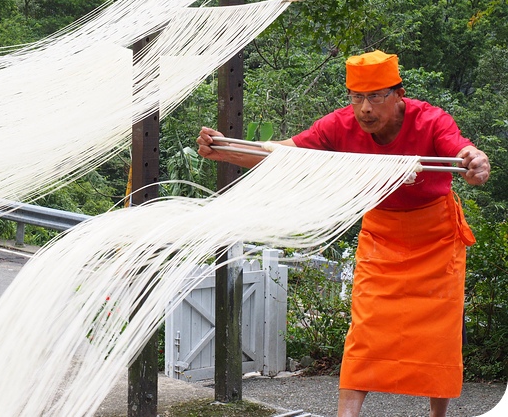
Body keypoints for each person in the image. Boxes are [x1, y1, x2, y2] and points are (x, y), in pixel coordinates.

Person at [196, 50, 491, 417]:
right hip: (381, 234)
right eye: (357, 97)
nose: (365, 109)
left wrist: (474, 160)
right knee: (365, 328)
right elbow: (283, 154)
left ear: (399, 94)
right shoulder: (339, 125)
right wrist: (226, 149)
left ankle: (437, 415)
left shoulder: (429, 119)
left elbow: (459, 149)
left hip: (435, 236)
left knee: (439, 336)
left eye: (375, 97)